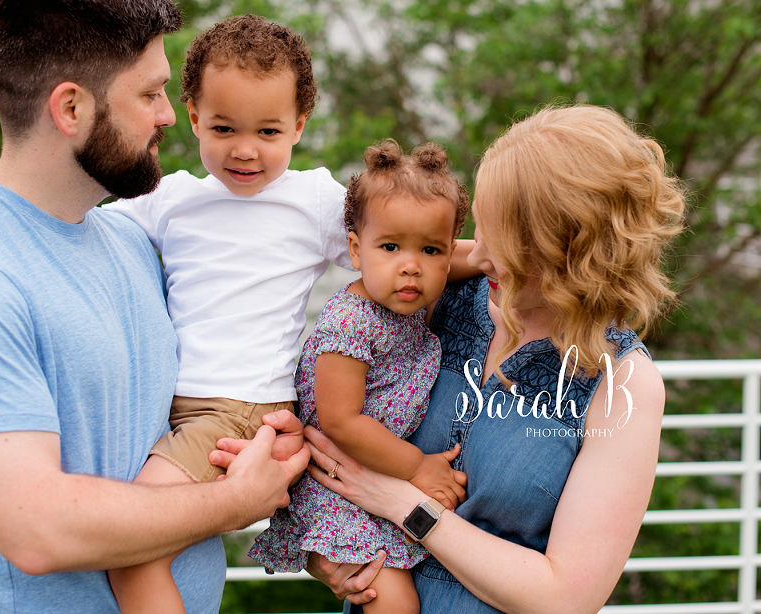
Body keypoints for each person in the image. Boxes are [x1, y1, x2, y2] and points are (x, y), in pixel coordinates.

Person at [214, 104, 687, 612]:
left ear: (565, 251)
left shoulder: (623, 384)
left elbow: (565, 598)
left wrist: (404, 504)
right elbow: (338, 419)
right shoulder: (437, 299)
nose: (475, 254)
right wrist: (324, 544)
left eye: (500, 240)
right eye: (479, 228)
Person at [0, 3, 309, 614]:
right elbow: (34, 529)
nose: (169, 115)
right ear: (71, 108)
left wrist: (260, 436)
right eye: (150, 94)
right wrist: (237, 502)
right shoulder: (0, 271)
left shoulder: (132, 242)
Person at [99, 14, 356, 613]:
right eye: (223, 128)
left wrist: (484, 257)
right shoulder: (171, 198)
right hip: (178, 410)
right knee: (150, 543)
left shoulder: (314, 200)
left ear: (299, 125)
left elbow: (397, 250)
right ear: (192, 117)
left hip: (239, 409)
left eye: (268, 131)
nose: (245, 149)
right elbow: (79, 226)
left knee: (131, 548)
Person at [248, 140, 470, 614]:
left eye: (430, 250)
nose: (410, 265)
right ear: (355, 249)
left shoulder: (406, 296)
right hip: (335, 490)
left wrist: (492, 257)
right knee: (392, 600)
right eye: (390, 247)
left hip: (374, 480)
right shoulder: (352, 321)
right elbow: (340, 420)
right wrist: (418, 468)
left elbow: (472, 258)